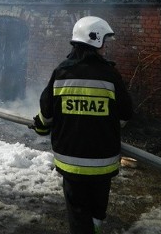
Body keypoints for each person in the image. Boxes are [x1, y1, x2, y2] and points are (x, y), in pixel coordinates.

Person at [31, 16, 133, 234]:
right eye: (104, 41)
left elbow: (46, 112)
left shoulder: (61, 73)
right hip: (103, 162)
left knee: (78, 214)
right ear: (95, 40)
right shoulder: (110, 74)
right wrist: (105, 126)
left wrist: (40, 127)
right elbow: (126, 113)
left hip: (71, 162)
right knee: (97, 210)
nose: (106, 46)